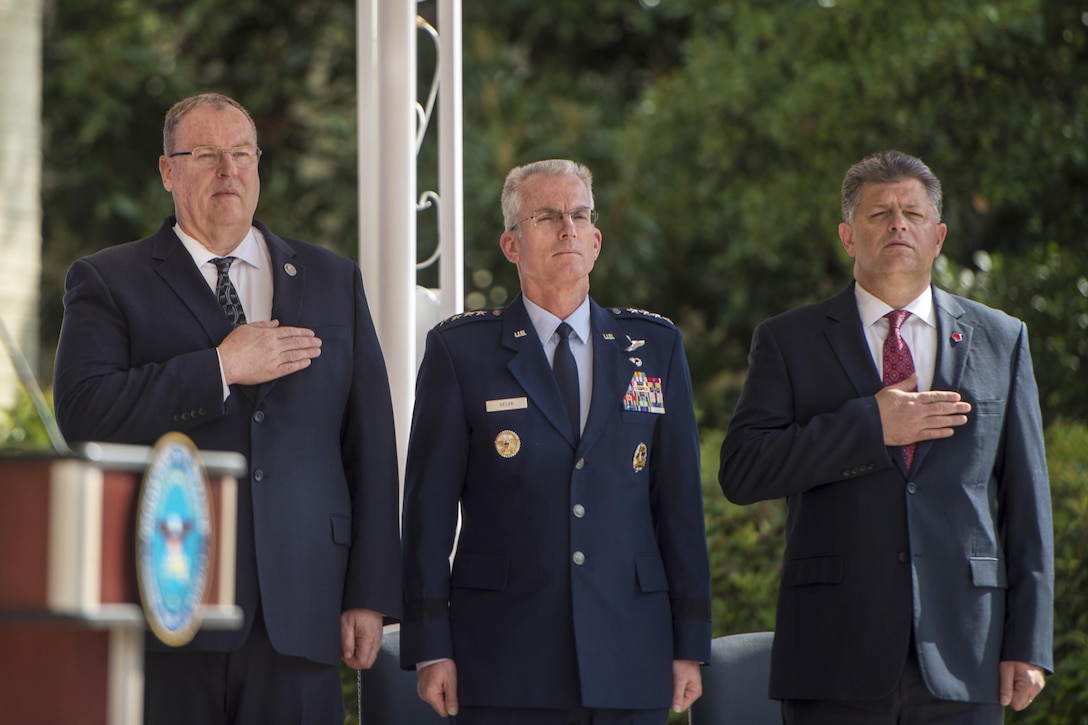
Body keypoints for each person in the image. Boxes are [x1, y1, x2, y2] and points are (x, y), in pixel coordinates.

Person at [52, 92, 402, 725]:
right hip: (167, 603)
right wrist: (220, 367)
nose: (228, 170)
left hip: (303, 609)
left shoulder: (331, 279)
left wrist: (370, 596)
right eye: (207, 154)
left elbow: (371, 448)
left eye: (242, 153)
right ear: (167, 171)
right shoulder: (108, 280)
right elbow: (82, 411)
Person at [718, 150, 1054, 724]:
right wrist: (869, 425)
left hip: (965, 653)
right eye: (879, 213)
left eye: (912, 213)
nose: (898, 224)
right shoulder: (787, 341)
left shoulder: (1003, 339)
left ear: (938, 235)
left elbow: (1027, 504)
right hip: (831, 656)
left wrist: (1029, 644)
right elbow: (744, 470)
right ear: (848, 236)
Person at [400, 159, 711, 724]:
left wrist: (689, 641)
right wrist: (431, 643)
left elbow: (681, 506)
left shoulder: (654, 346)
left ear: (596, 241)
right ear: (511, 244)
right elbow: (428, 513)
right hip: (504, 654)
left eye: (579, 215)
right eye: (546, 216)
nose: (568, 228)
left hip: (630, 650)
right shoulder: (461, 351)